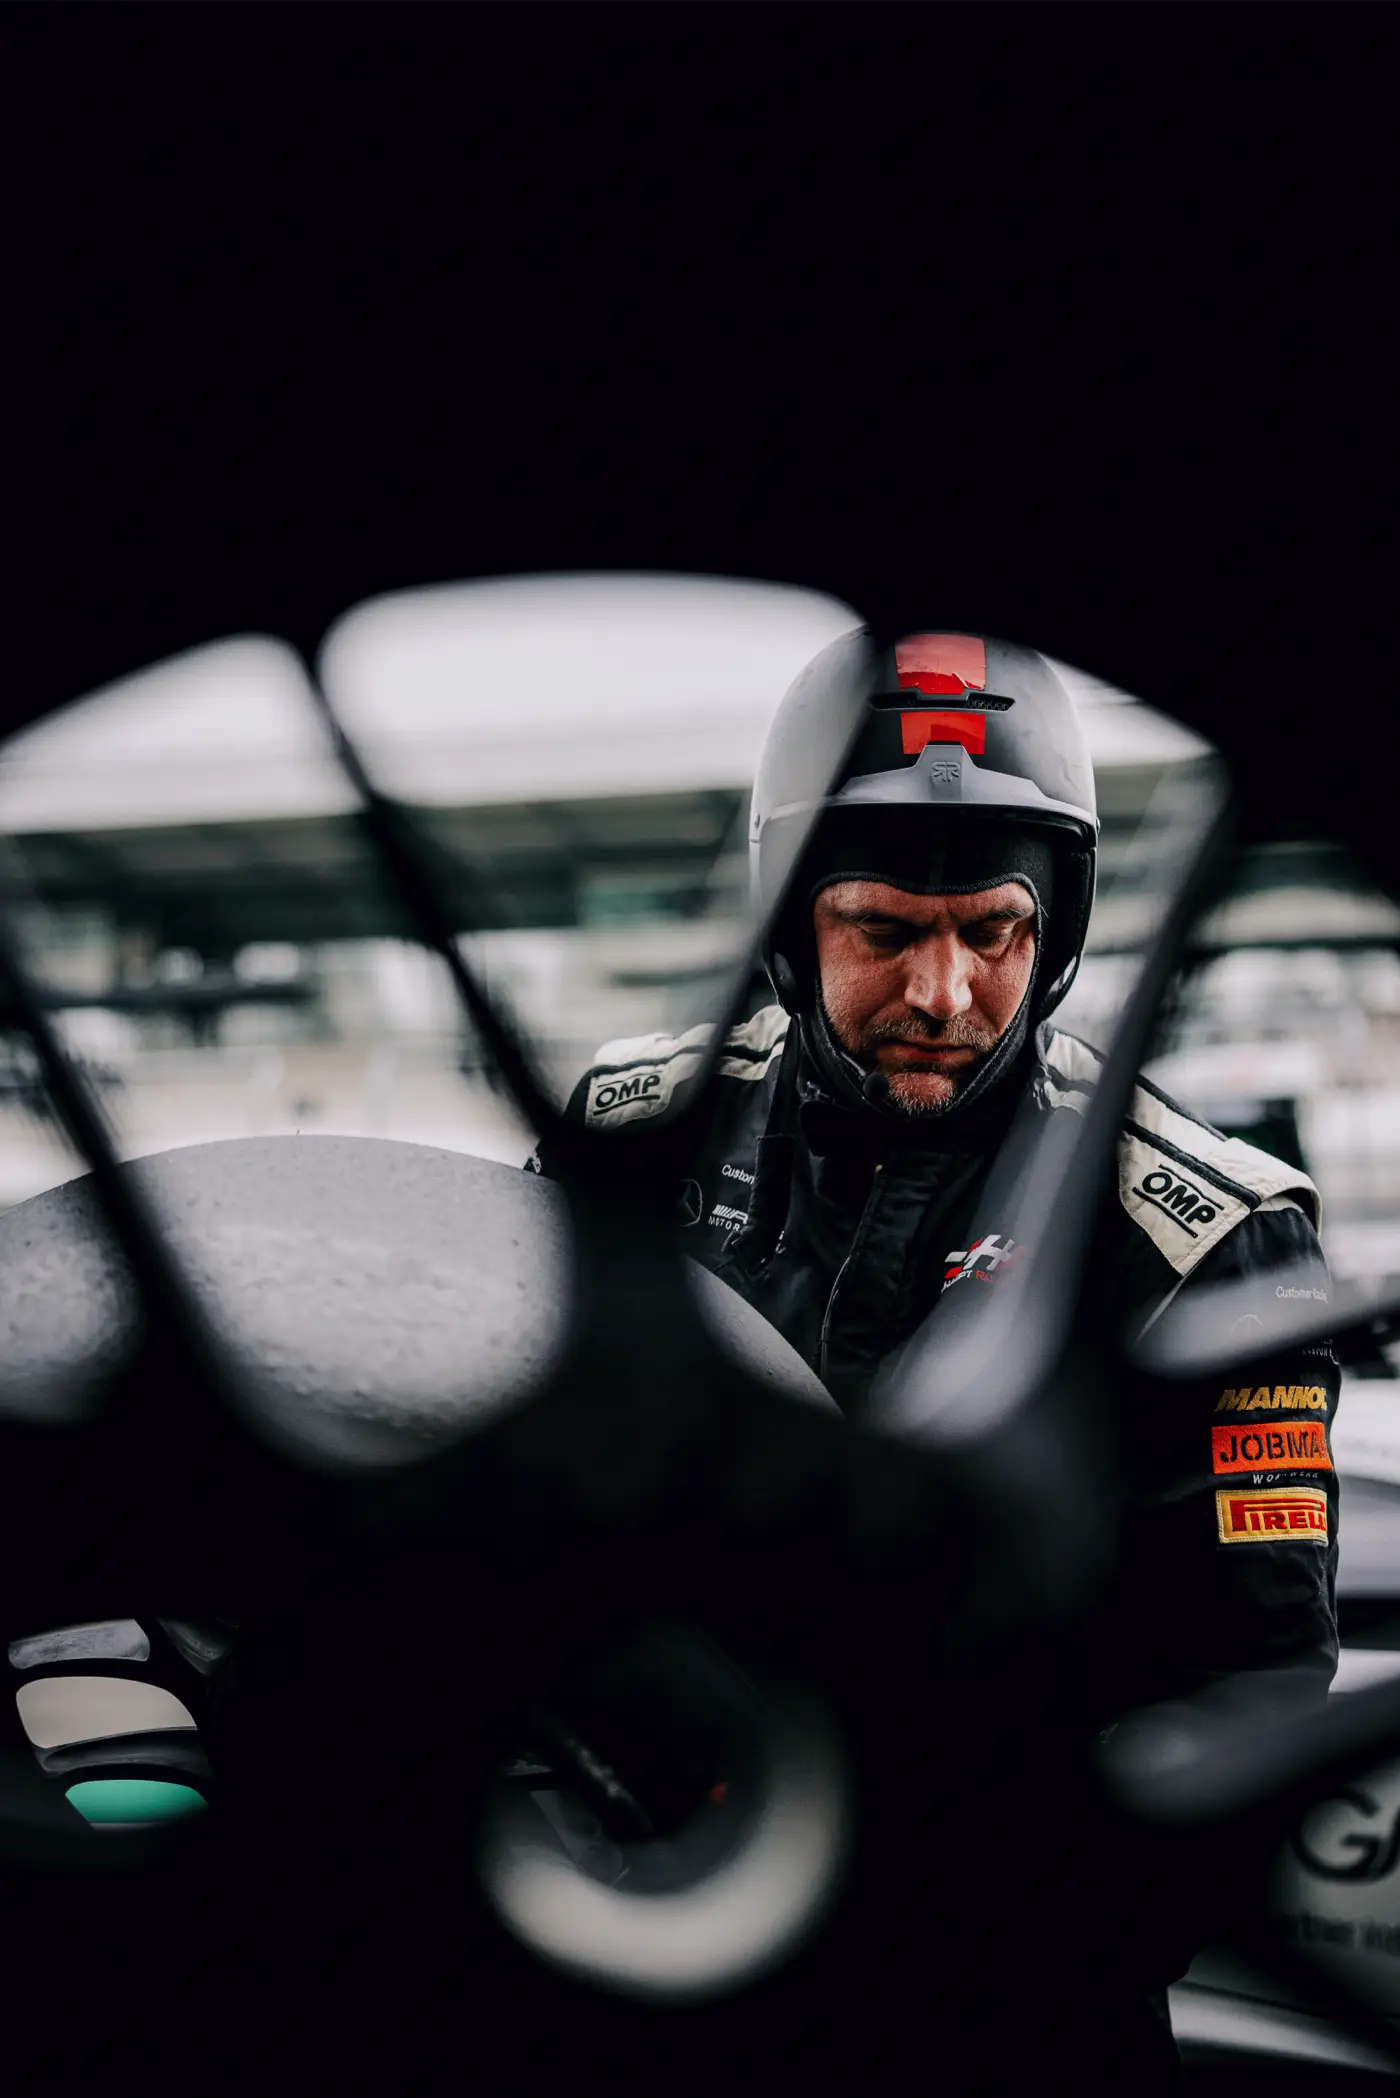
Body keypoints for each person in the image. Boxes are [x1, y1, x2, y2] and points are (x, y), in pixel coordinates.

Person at [530, 629, 1340, 2063]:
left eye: (994, 931)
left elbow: (1253, 1677)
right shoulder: (629, 1138)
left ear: (1057, 930)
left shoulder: (1205, 1238)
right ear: (790, 926)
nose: (945, 993)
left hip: (1011, 1990)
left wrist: (986, 1904)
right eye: (885, 930)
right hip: (650, 1922)